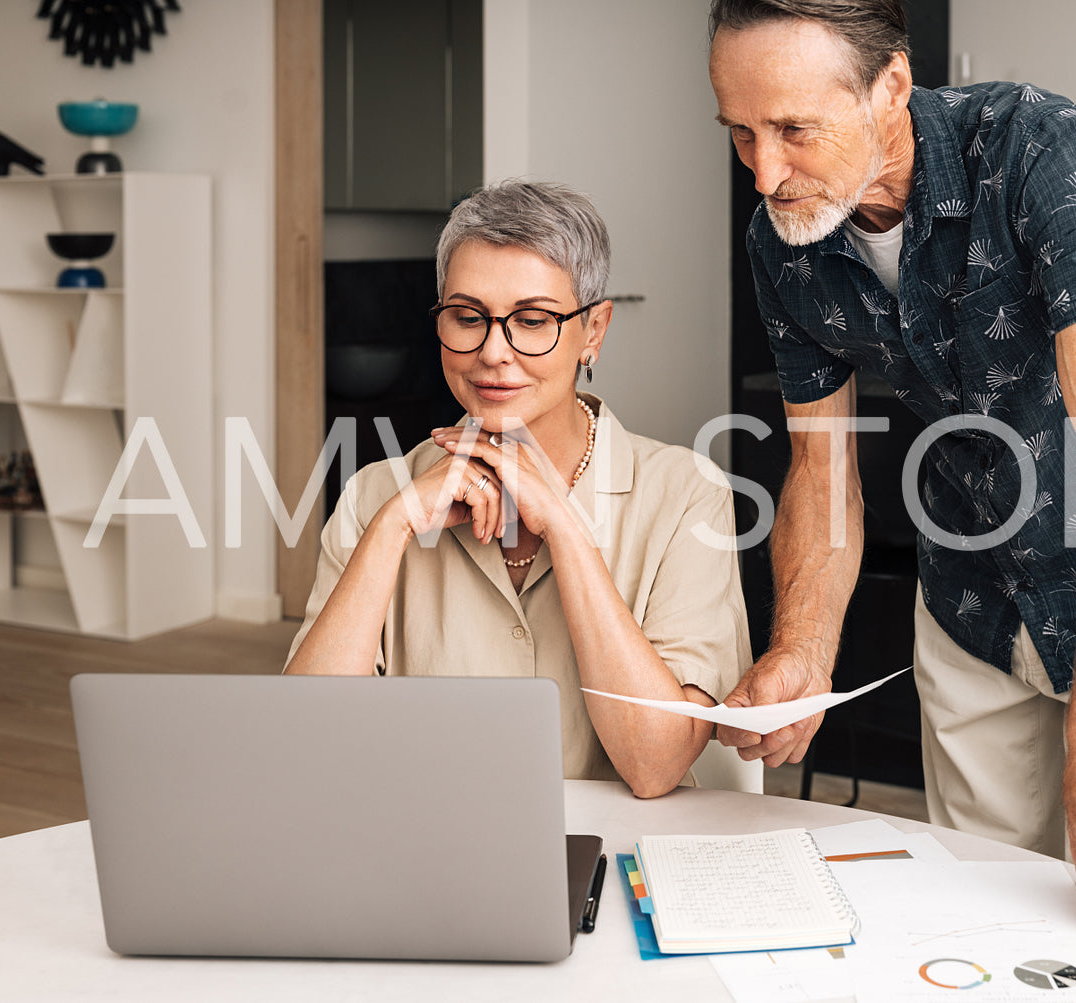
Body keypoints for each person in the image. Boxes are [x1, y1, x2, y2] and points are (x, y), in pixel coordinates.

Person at [706, 0, 1076, 938]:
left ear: (890, 87)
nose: (764, 171)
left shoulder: (1033, 149)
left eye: (794, 129)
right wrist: (801, 646)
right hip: (972, 601)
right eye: (740, 133)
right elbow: (819, 468)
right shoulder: (783, 243)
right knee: (980, 927)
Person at [286, 180, 751, 799]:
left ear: (594, 331)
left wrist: (565, 529)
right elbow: (306, 744)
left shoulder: (687, 495)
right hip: (427, 851)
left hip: (621, 856)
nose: (493, 353)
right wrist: (391, 528)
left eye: (532, 321)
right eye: (467, 317)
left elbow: (656, 764)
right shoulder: (378, 495)